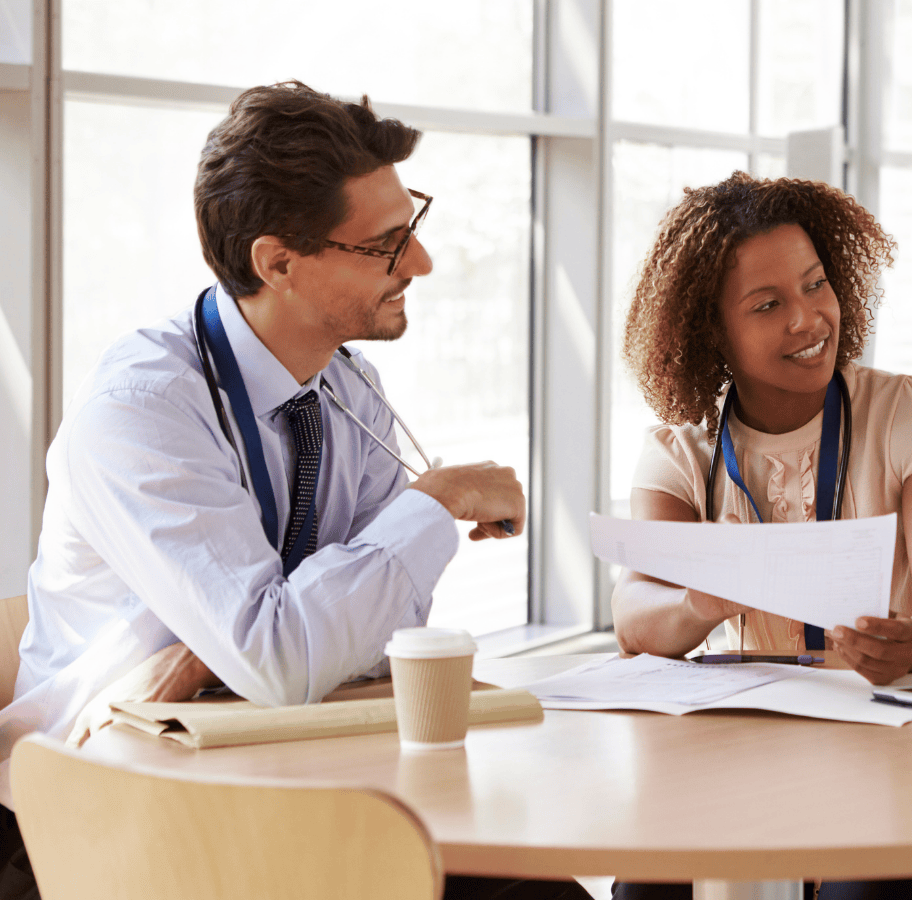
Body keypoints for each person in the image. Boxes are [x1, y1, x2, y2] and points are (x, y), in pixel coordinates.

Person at [0, 82, 583, 900]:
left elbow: (368, 635)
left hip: (284, 768)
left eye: (411, 227)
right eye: (385, 245)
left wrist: (221, 650)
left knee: (538, 888)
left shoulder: (350, 389)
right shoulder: (140, 413)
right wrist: (437, 501)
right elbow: (283, 658)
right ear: (277, 262)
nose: (420, 262)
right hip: (108, 813)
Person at [610, 172, 912, 900]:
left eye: (816, 285)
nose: (808, 319)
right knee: (651, 889)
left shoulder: (906, 411)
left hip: (908, 748)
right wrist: (702, 601)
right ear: (712, 332)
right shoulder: (683, 450)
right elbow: (637, 616)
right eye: (768, 305)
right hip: (755, 753)